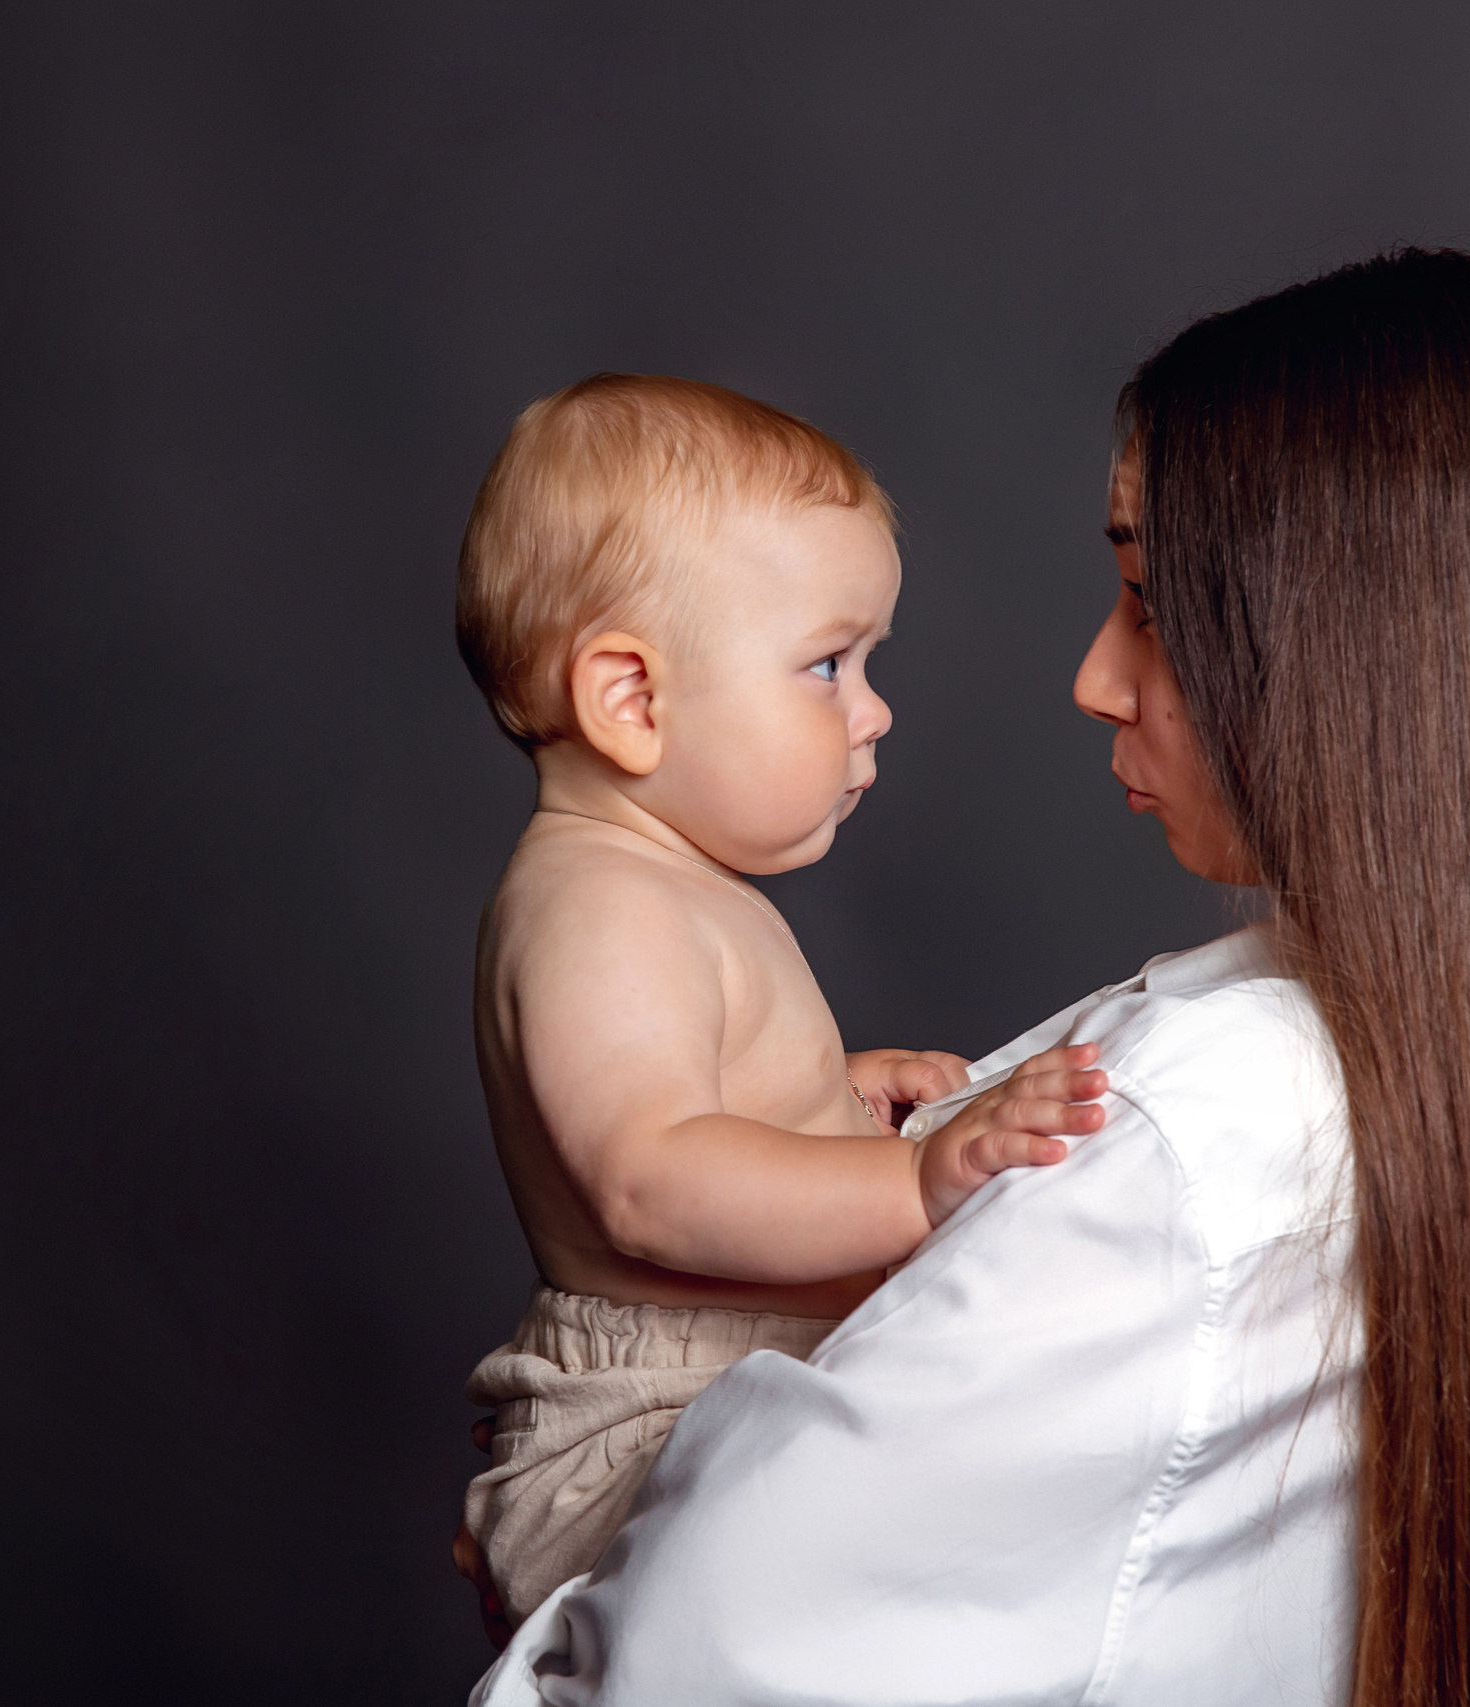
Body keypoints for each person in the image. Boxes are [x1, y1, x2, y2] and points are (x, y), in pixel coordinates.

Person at [470, 251, 1470, 1706]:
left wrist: (561, 1615)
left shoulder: (1195, 1140)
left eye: (1146, 598)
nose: (1092, 675)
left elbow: (654, 1675)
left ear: (1343, 641)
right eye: (826, 664)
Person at [451, 374, 1110, 1630]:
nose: (874, 711)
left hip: (724, 1386)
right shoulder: (601, 906)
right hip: (653, 1423)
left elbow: (683, 1101)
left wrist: (823, 1097)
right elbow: (650, 1179)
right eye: (825, 664)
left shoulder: (659, 881)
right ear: (630, 701)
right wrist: (911, 1186)